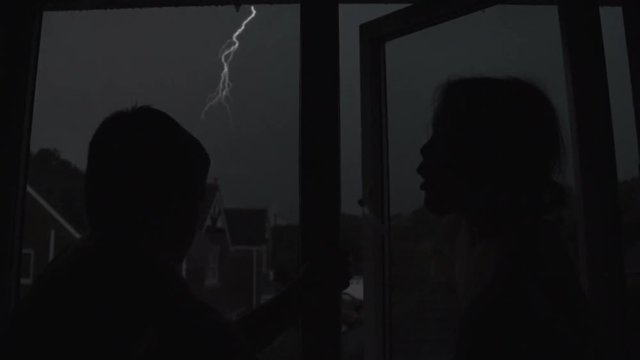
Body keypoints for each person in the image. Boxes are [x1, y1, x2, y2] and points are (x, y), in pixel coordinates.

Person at [8, 106, 348, 358]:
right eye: (194, 200)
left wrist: (296, 298)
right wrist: (303, 296)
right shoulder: (136, 280)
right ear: (168, 206)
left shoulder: (78, 266)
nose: (196, 218)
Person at [416, 77, 600, 359]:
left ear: (483, 152)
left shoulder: (512, 300)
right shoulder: (522, 253)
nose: (424, 150)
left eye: (441, 135)